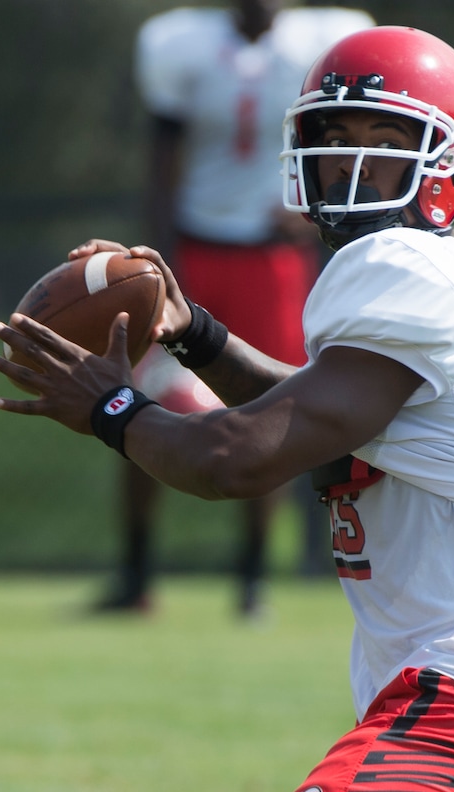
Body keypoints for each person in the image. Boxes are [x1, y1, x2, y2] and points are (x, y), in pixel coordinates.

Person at [0, 26, 454, 792]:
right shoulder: (432, 286)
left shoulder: (410, 269)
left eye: (387, 141)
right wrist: (193, 330)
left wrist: (112, 411)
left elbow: (236, 455)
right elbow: (318, 427)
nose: (348, 160)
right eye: (334, 136)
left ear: (452, 160)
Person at [99, 0, 375, 615]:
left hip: (274, 257)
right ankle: (136, 573)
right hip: (195, 253)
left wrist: (313, 215)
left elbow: (351, 144)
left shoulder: (330, 38)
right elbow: (162, 158)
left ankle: (252, 581)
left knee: (272, 411)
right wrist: (152, 260)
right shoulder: (179, 42)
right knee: (141, 397)